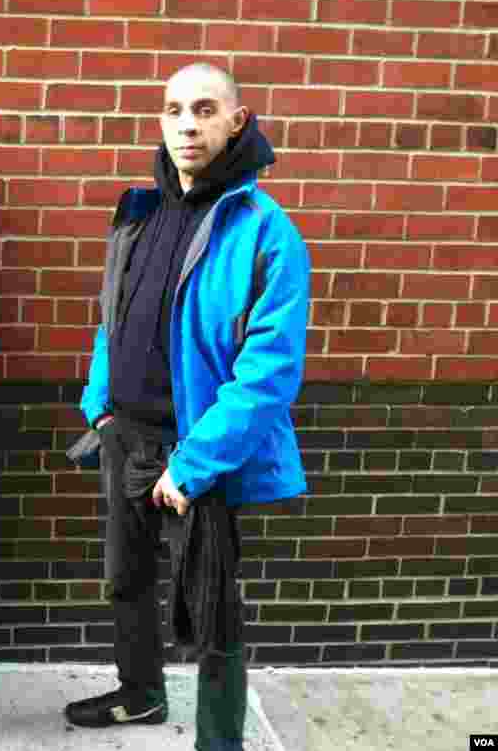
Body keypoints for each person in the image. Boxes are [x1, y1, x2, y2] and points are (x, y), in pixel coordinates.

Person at [65, 63, 310, 751]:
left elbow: (268, 376)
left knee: (213, 613)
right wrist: (100, 407)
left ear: (237, 120)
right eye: (174, 109)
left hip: (195, 455)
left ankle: (219, 742)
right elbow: (114, 320)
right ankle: (141, 694)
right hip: (126, 436)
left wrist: (194, 463)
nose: (187, 124)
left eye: (204, 109)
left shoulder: (264, 232)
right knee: (127, 580)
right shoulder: (143, 213)